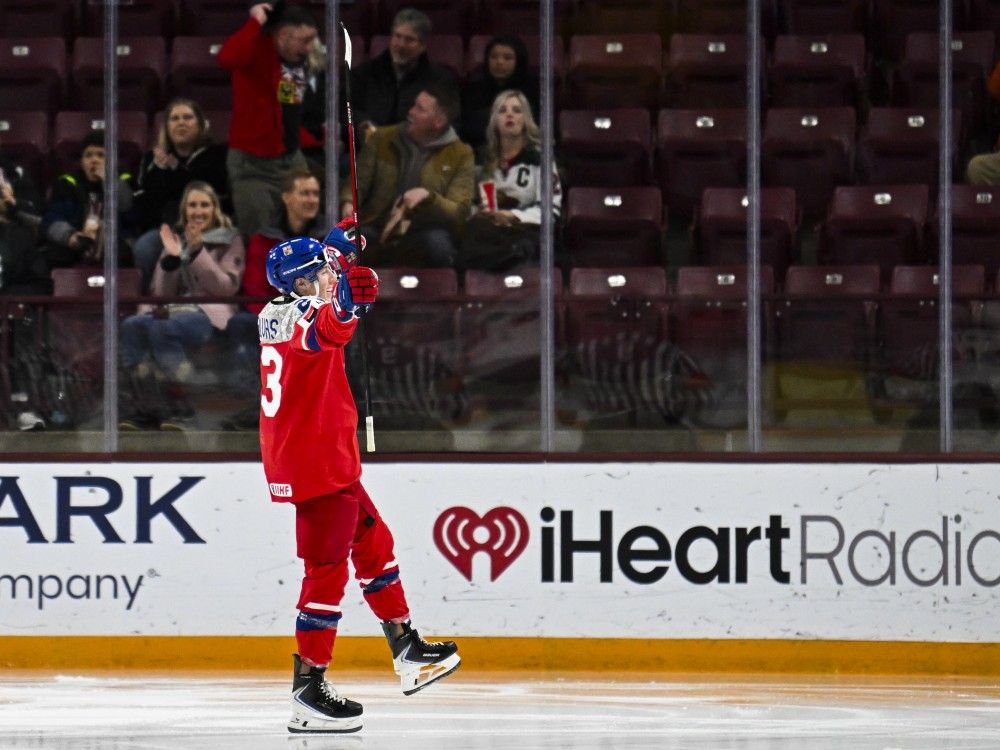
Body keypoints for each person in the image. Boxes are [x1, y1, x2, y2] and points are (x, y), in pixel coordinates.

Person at [258, 228, 460, 733]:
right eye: (322, 272)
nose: (330, 276)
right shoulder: (296, 317)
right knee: (326, 573)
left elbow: (325, 309)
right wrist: (346, 306)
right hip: (316, 466)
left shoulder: (286, 304)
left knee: (374, 543)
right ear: (302, 282)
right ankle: (309, 686)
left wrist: (338, 249)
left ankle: (405, 647)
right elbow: (325, 328)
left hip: (326, 461)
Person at [120, 181, 245, 430]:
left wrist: (198, 253)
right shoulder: (176, 240)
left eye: (204, 205)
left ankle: (185, 405)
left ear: (215, 209)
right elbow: (161, 293)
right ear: (184, 211)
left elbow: (225, 288)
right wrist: (172, 260)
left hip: (208, 313)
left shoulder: (230, 239)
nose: (198, 211)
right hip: (174, 310)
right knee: (132, 325)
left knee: (161, 329)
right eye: (192, 205)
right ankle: (147, 406)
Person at [221, 168, 327, 430]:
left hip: (319, 316)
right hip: (277, 318)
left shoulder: (326, 238)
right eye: (304, 193)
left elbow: (334, 285)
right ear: (287, 197)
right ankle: (255, 404)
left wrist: (309, 313)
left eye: (315, 193)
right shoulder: (265, 238)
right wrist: (287, 318)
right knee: (243, 324)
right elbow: (256, 289)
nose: (311, 199)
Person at [339, 83, 474, 267]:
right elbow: (357, 183)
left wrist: (429, 198)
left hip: (424, 231)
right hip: (377, 225)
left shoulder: (461, 154)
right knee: (351, 240)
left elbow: (459, 212)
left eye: (420, 109)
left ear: (439, 121)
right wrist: (348, 202)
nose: (410, 112)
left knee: (438, 244)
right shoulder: (381, 138)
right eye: (413, 105)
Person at [218, 2, 318, 236]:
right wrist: (255, 22)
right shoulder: (255, 47)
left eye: (312, 40)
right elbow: (227, 58)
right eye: (304, 41)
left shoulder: (297, 59)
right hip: (253, 166)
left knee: (306, 234)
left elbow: (290, 106)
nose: (310, 47)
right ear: (282, 35)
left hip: (291, 158)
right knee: (263, 240)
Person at [131, 98, 230, 290]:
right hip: (168, 229)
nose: (181, 123)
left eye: (188, 118)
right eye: (175, 119)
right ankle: (151, 302)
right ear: (166, 126)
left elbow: (209, 192)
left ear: (200, 125)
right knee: (144, 247)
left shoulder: (216, 155)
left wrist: (175, 170)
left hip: (211, 229)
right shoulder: (152, 160)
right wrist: (158, 172)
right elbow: (147, 208)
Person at [460, 89, 561, 271]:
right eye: (502, 110)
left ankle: (509, 258)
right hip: (489, 229)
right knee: (471, 233)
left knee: (530, 244)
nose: (509, 115)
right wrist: (482, 212)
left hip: (525, 228)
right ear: (495, 120)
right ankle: (507, 257)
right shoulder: (482, 160)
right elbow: (469, 204)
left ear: (525, 119)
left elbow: (550, 210)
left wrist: (514, 216)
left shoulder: (541, 159)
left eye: (516, 110)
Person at [350, 8, 459, 135]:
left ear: (423, 46)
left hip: (421, 150)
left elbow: (451, 122)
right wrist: (363, 124)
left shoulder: (441, 79)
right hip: (371, 147)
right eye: (397, 36)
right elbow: (349, 110)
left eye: (409, 40)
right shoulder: (364, 73)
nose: (401, 45)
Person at [40, 131, 134, 275]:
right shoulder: (67, 183)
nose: (94, 160)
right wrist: (69, 236)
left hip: (114, 241)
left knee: (122, 255)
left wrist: (109, 182)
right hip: (77, 238)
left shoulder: (125, 180)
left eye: (101, 155)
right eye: (88, 155)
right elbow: (52, 218)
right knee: (54, 256)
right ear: (82, 161)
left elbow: (130, 213)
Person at [460, 35, 539, 153]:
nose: (499, 62)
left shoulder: (534, 90)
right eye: (493, 57)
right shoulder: (474, 89)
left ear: (519, 61)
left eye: (507, 58)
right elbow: (466, 128)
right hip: (479, 153)